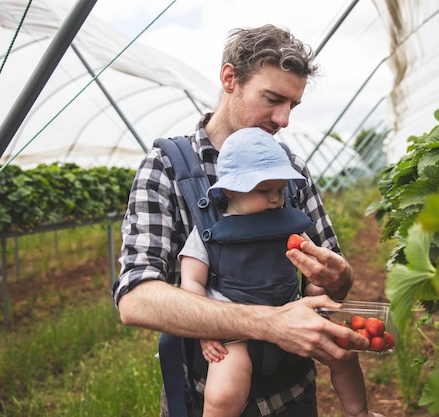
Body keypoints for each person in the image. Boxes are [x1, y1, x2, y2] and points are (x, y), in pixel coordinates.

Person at [112, 24, 383, 416]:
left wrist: (338, 277)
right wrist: (267, 323)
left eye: (293, 105)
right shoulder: (167, 168)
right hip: (207, 394)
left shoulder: (292, 171)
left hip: (294, 396)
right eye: (273, 98)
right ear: (230, 79)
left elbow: (327, 289)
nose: (284, 119)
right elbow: (135, 299)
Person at [179, 127, 375, 417]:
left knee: (343, 355)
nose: (276, 199)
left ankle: (360, 412)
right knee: (224, 393)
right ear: (231, 189)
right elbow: (192, 283)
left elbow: (312, 272)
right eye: (264, 190)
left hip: (293, 316)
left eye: (280, 190)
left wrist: (318, 285)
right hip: (236, 330)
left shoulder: (290, 225)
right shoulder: (210, 232)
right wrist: (206, 330)